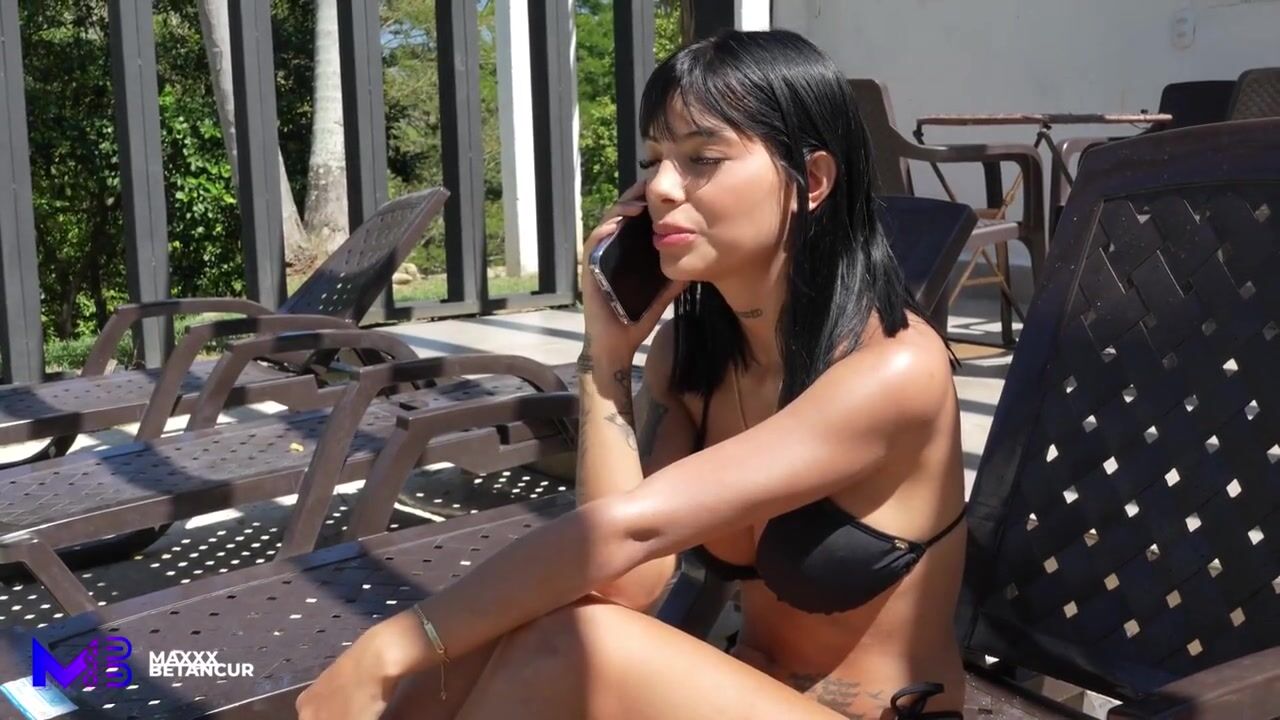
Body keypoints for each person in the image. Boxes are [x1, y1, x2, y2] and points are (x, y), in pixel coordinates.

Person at [296, 28, 967, 720]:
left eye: (703, 158)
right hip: (747, 690)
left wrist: (391, 646)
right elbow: (627, 582)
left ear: (813, 180)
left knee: (574, 640)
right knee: (492, 636)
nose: (662, 188)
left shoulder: (893, 369)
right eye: (654, 161)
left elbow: (628, 533)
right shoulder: (693, 358)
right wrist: (606, 360)